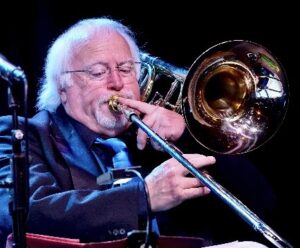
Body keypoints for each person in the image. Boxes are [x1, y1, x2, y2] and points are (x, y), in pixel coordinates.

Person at [0, 18, 276, 248]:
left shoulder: (155, 140)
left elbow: (260, 200)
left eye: (125, 69)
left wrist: (189, 133)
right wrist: (143, 196)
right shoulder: (23, 133)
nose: (117, 83)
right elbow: (22, 214)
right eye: (98, 72)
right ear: (63, 87)